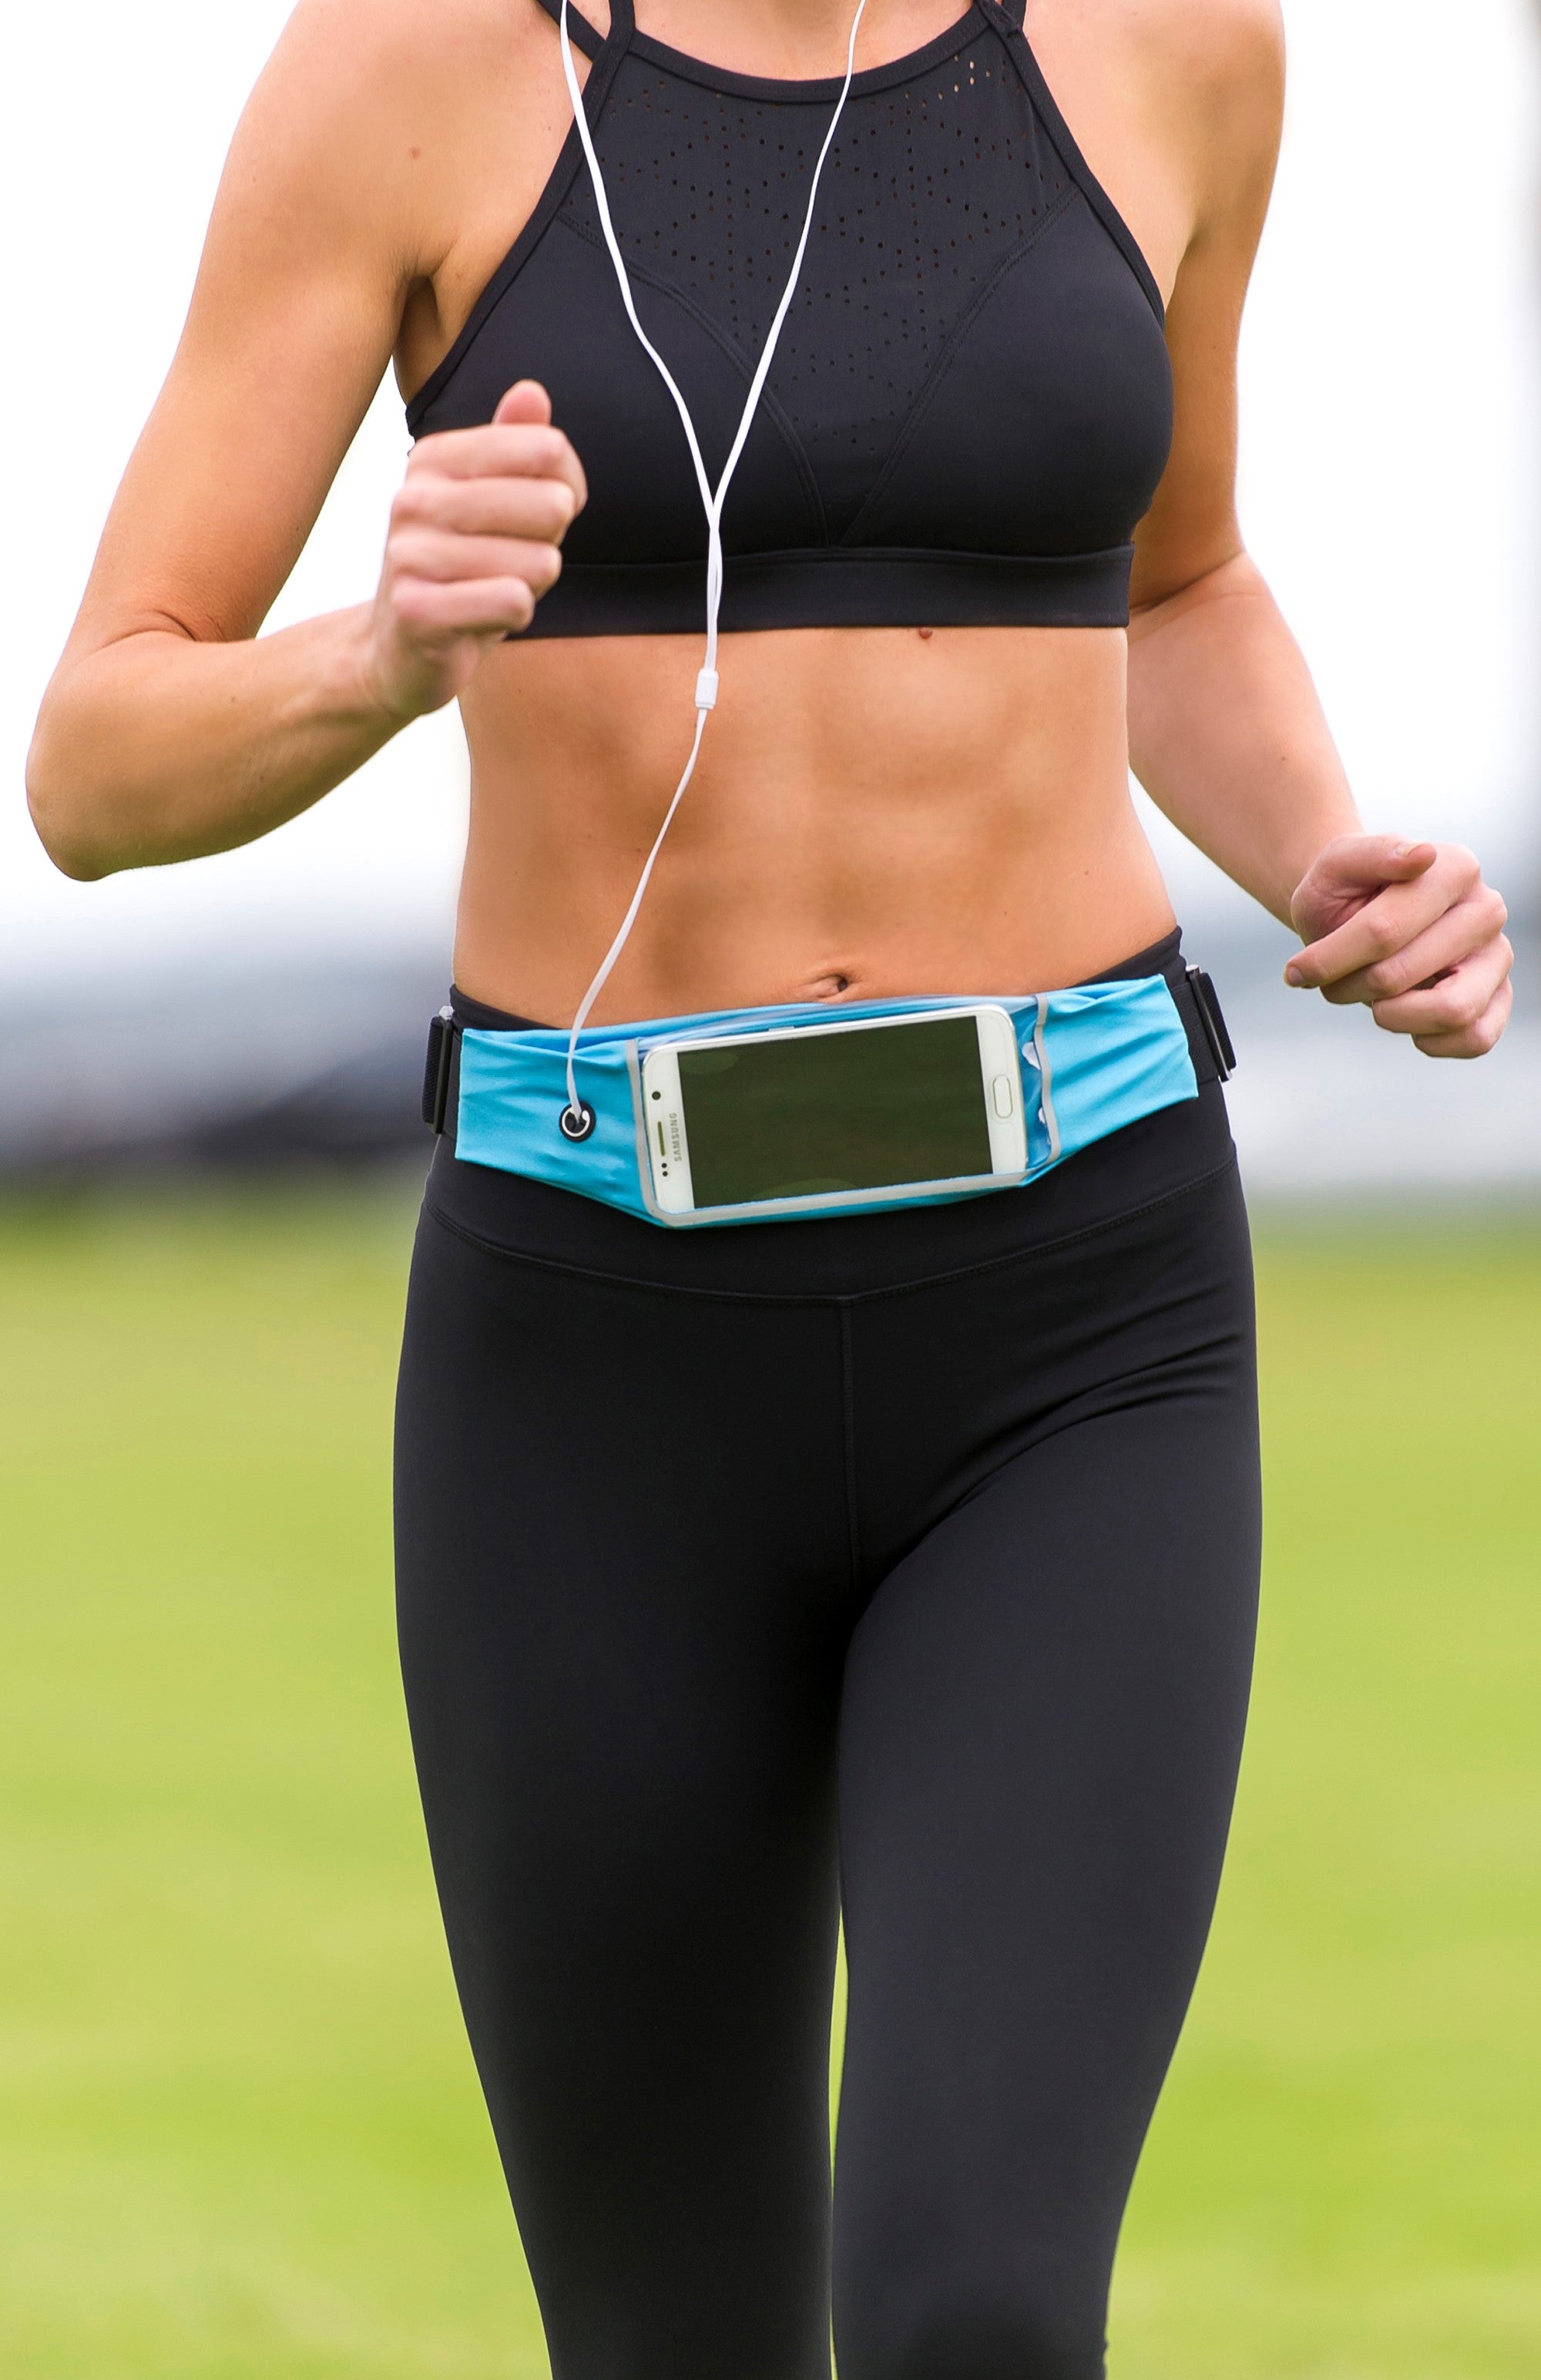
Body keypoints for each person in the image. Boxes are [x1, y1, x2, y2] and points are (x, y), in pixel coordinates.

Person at [28, 2, 1512, 2374]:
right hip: (590, 1359)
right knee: (671, 2340)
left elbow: (1177, 581)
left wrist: (1339, 860)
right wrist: (383, 650)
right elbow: (97, 755)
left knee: (979, 2311)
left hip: (1077, 1325)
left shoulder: (1176, 47)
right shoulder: (403, 71)